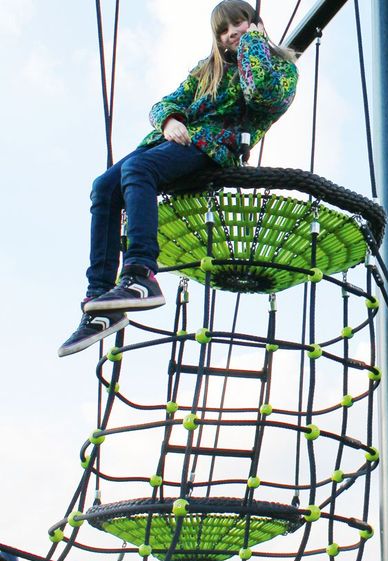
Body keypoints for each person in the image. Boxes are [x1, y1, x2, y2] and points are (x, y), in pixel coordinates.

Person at [58, 0, 298, 357]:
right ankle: (99, 300)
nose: (231, 33)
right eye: (223, 30)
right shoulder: (207, 72)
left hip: (215, 146)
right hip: (175, 141)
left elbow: (260, 93)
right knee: (104, 187)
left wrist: (253, 45)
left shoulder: (279, 69)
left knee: (138, 171)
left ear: (255, 24)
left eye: (239, 24)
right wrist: (170, 119)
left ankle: (140, 273)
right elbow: (164, 103)